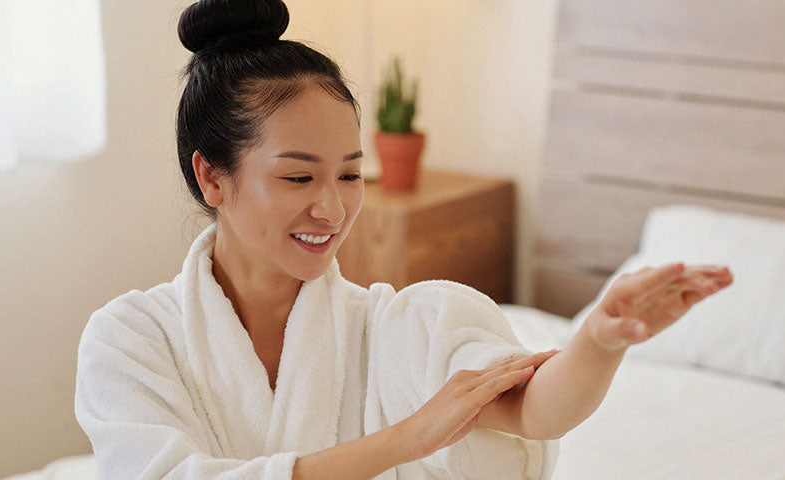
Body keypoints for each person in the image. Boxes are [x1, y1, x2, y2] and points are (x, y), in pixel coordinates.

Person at [74, 1, 733, 479]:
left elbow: (532, 409)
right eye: (300, 175)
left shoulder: (399, 328)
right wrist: (407, 438)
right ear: (212, 176)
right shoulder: (129, 340)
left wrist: (597, 341)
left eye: (352, 174)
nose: (332, 207)